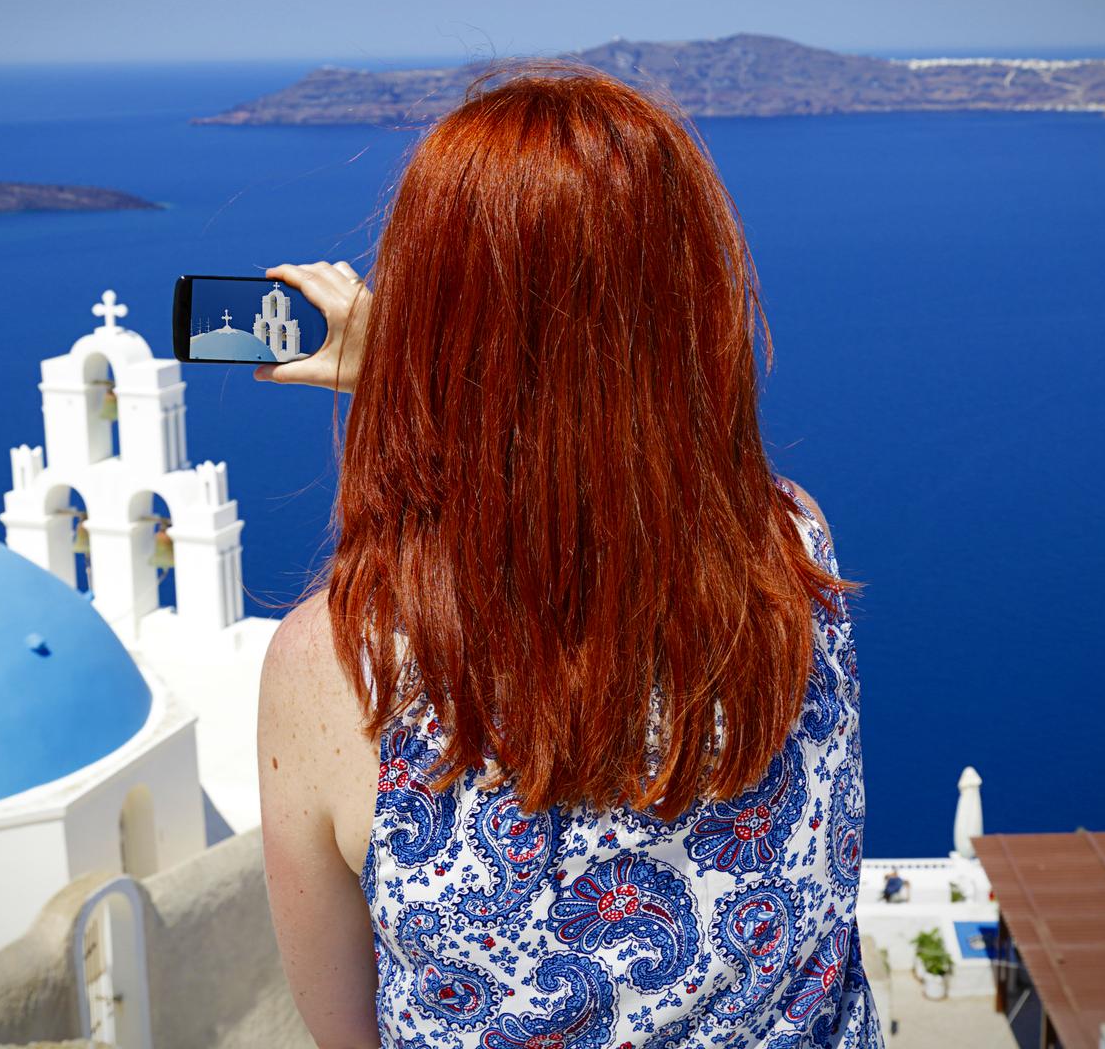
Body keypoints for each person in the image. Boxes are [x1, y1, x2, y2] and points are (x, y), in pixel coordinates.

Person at [253, 61, 882, 1049]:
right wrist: (437, 383)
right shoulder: (792, 545)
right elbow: (607, 452)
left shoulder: (338, 669)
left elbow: (344, 1031)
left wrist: (412, 388)